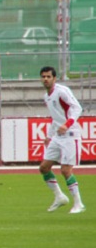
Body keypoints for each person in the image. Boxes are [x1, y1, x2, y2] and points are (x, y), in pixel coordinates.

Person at [39, 66, 85, 214]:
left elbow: (77, 108)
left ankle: (79, 203)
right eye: (43, 76)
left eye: (48, 76)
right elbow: (55, 118)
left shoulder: (62, 91)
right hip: (58, 136)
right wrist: (49, 135)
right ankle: (59, 196)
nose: (45, 79)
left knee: (65, 170)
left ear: (54, 78)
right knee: (44, 168)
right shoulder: (47, 96)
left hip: (71, 135)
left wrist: (67, 124)